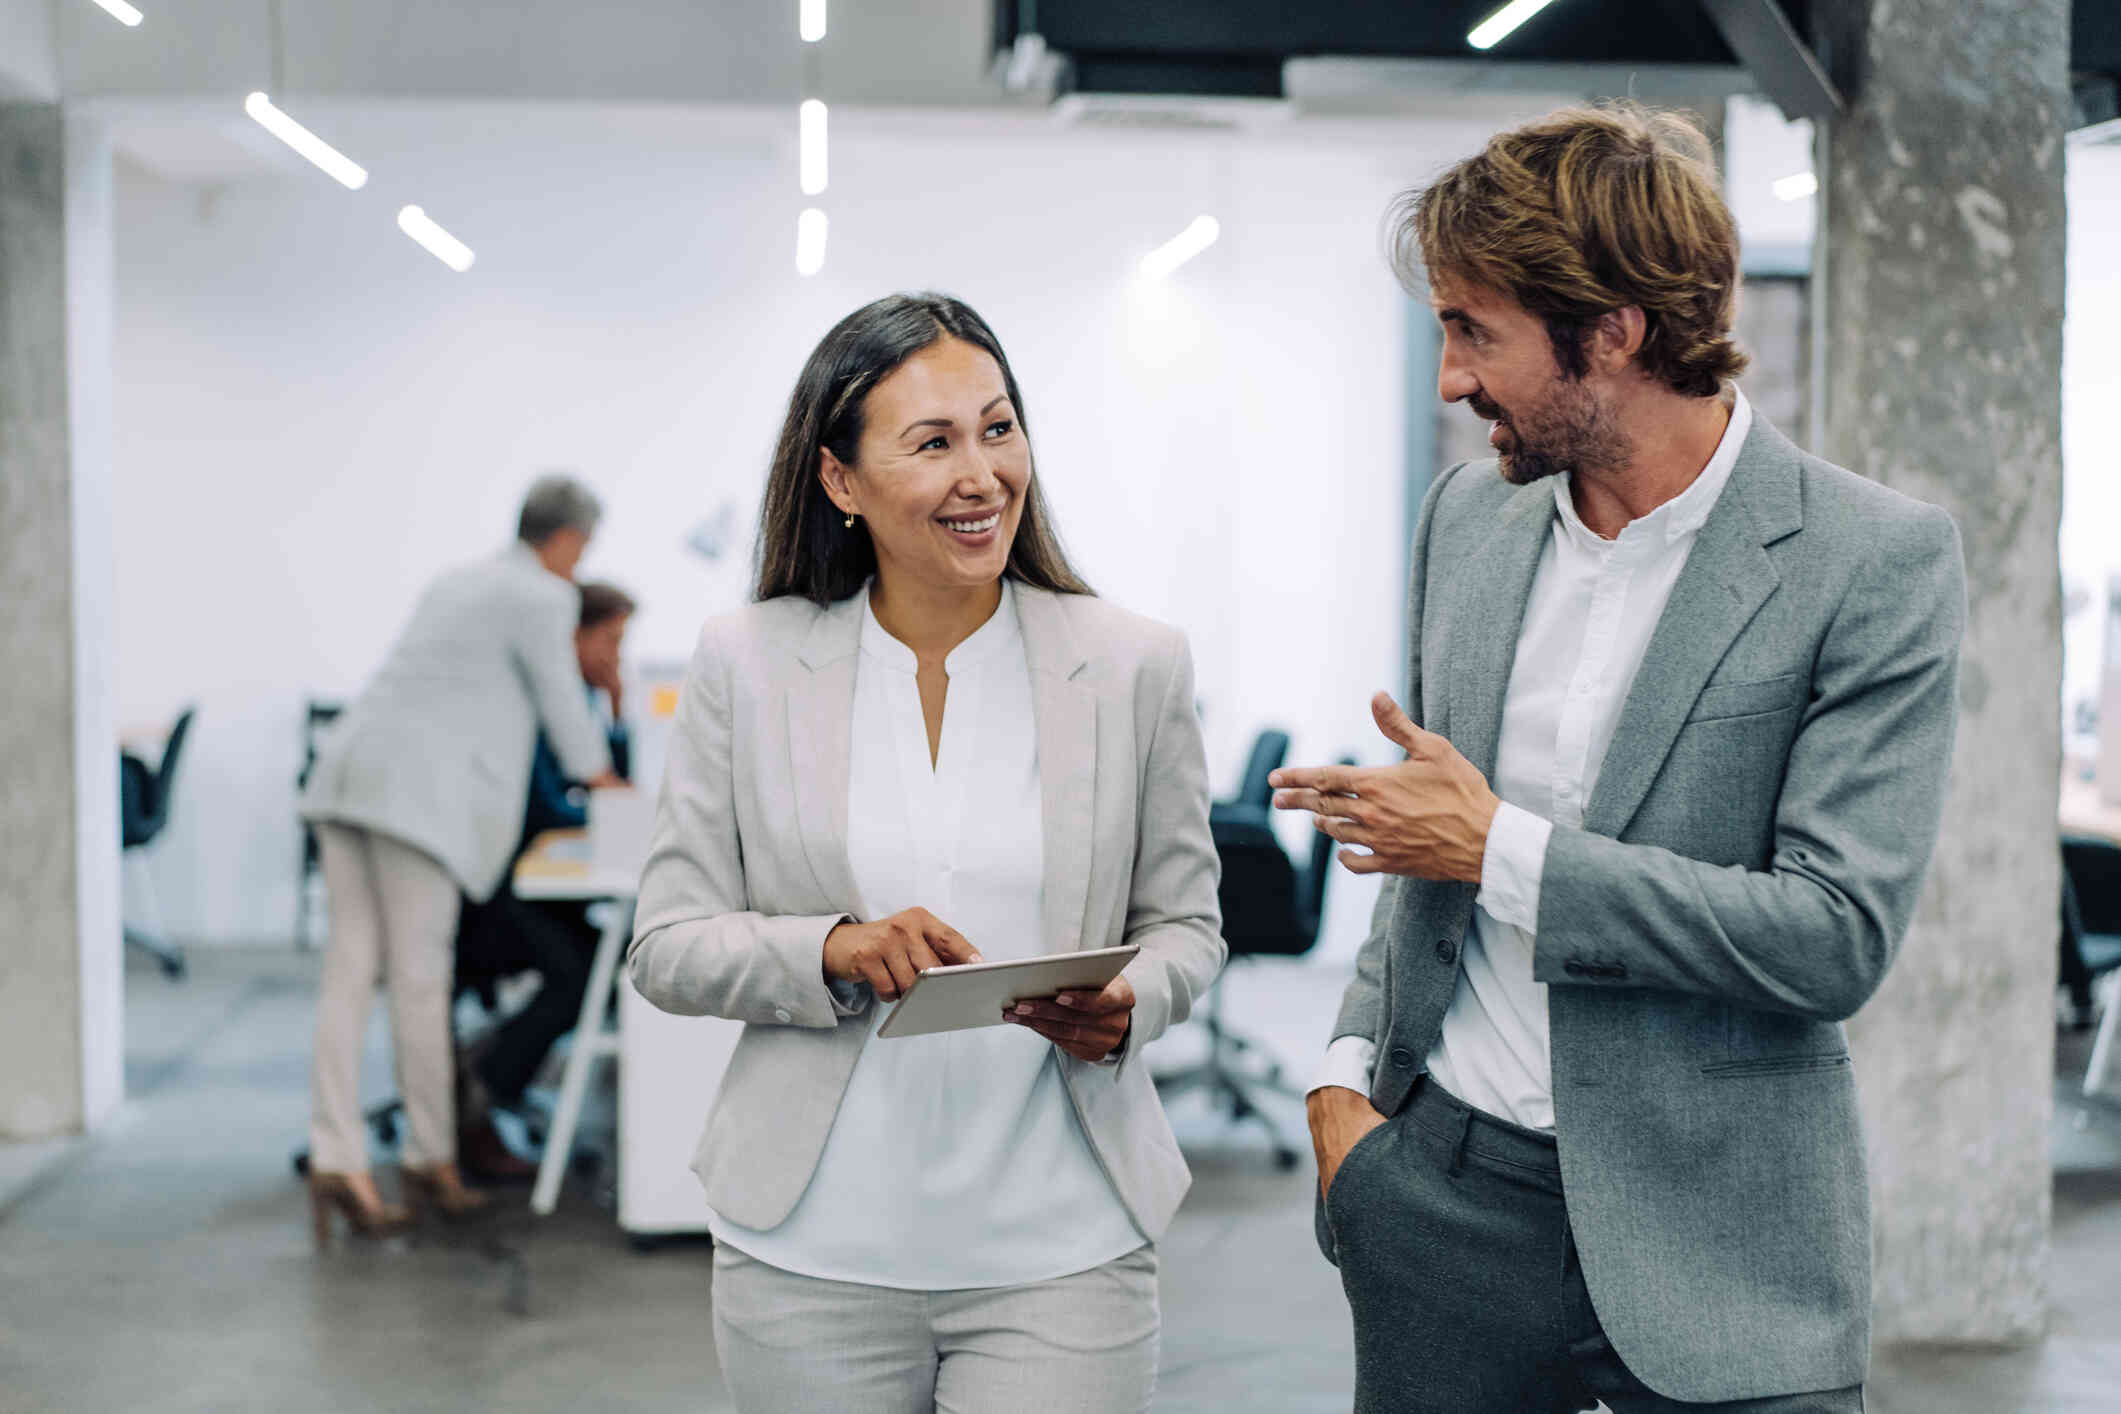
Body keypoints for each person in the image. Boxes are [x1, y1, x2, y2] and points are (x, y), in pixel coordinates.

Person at [1273, 106, 1966, 1412]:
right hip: (1445, 1200)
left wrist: (1502, 850)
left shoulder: (1870, 563)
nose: (1447, 378)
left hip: (1728, 1232)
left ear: (1612, 332)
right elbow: (1422, 827)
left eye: (1474, 330)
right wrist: (1340, 1083)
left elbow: (1832, 934)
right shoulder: (1468, 517)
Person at [629, 293, 1224, 1413]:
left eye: (1000, 429)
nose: (982, 474)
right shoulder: (747, 661)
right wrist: (835, 949)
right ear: (841, 480)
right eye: (934, 442)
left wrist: (1131, 999)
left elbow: (1188, 926)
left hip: (1064, 1245)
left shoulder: (1135, 663)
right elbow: (666, 944)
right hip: (810, 1251)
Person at [300, 475, 625, 1241]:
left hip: (347, 772)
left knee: (350, 972)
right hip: (419, 801)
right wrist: (609, 781)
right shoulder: (542, 596)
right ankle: (429, 1156)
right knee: (419, 977)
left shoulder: (459, 579)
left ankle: (336, 1157)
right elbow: (562, 708)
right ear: (570, 540)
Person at [453, 581, 637, 1182]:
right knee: (583, 970)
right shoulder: (534, 707)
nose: (616, 655)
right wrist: (609, 808)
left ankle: (493, 1069)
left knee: (604, 963)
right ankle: (480, 1089)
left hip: (517, 887)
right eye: (609, 640)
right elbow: (547, 809)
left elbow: (603, 781)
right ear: (572, 639)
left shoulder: (576, 704)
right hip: (489, 897)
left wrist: (615, 712)